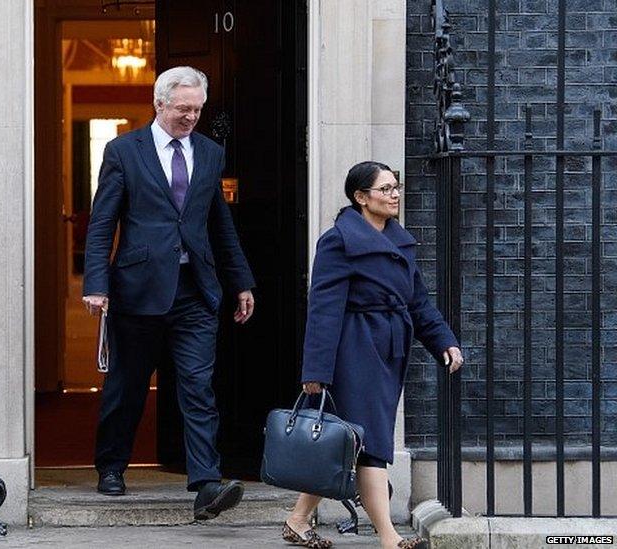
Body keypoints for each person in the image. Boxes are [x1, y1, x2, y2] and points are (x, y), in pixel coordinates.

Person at [82, 66, 256, 520]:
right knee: (127, 384)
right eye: (183, 108)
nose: (191, 117)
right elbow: (103, 223)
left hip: (194, 292)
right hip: (138, 290)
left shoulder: (210, 153)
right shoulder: (123, 151)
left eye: (197, 109)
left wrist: (240, 281)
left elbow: (219, 222)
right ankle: (112, 466)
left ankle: (205, 484)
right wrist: (96, 285)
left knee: (198, 387)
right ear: (159, 104)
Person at [281, 161, 463, 549]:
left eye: (396, 187)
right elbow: (324, 309)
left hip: (389, 350)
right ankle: (389, 537)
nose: (394, 195)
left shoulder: (401, 242)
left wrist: (444, 341)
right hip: (354, 350)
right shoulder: (338, 241)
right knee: (370, 441)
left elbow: (418, 303)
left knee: (347, 441)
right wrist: (316, 370)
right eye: (385, 189)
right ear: (361, 197)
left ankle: (298, 520)